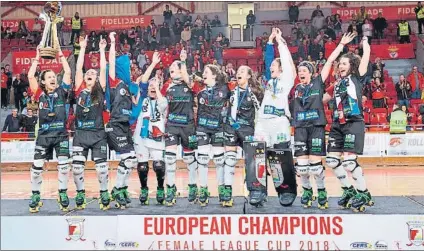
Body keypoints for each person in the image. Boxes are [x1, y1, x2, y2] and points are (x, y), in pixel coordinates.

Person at [295, 33, 356, 210]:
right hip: (299, 128)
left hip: (315, 128)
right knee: (302, 167)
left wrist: (341, 44)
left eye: (304, 71)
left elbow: (329, 61)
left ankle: (321, 191)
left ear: (311, 73)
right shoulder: (296, 88)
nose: (301, 73)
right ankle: (306, 191)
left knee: (314, 167)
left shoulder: (317, 83)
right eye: (299, 71)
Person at [325, 36, 374, 213]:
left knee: (349, 164)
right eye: (340, 64)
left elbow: (366, 57)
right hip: (338, 124)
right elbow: (322, 99)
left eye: (345, 63)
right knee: (331, 161)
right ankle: (349, 190)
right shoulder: (336, 84)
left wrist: (365, 44)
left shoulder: (356, 77)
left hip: (353, 122)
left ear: (351, 66)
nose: (341, 66)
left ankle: (364, 193)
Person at [253, 28, 296, 207]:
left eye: (274, 67)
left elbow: (285, 60)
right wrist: (269, 42)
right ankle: (258, 190)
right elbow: (268, 60)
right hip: (263, 122)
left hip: (279, 122)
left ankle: (286, 191)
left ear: (281, 69)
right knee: (258, 156)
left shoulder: (287, 80)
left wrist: (280, 41)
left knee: (280, 158)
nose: (270, 68)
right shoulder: (270, 81)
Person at [27, 42, 72, 213]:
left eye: (54, 76)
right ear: (44, 82)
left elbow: (67, 72)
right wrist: (37, 57)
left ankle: (62, 193)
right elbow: (31, 76)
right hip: (44, 135)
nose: (53, 78)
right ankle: (35, 195)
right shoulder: (39, 94)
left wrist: (60, 54)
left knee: (63, 166)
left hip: (61, 135)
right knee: (37, 168)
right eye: (49, 77)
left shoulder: (62, 92)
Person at [71, 35, 110, 210]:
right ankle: (80, 193)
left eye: (92, 74)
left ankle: (103, 193)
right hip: (80, 134)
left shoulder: (100, 91)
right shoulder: (79, 88)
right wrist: (82, 48)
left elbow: (103, 69)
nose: (89, 74)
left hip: (98, 134)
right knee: (77, 168)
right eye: (88, 73)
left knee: (101, 169)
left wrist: (102, 50)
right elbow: (79, 67)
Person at [105, 32, 139, 209]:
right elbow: (111, 63)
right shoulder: (114, 82)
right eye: (127, 65)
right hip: (115, 124)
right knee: (127, 158)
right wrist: (112, 42)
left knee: (132, 160)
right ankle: (117, 189)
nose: (130, 68)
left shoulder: (128, 86)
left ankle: (122, 188)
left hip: (125, 125)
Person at [133, 52, 168, 205]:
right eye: (151, 85)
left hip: (156, 137)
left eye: (156, 85)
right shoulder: (142, 98)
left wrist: (157, 87)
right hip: (141, 137)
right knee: (142, 166)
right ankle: (144, 188)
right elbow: (144, 81)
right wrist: (153, 64)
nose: (152, 86)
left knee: (158, 165)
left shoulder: (163, 99)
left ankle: (160, 188)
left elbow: (163, 105)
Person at [162, 50, 196, 206]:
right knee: (169, 158)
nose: (171, 72)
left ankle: (193, 186)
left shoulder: (191, 82)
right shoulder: (166, 87)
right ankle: (170, 187)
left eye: (174, 69)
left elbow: (188, 79)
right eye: (170, 71)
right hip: (172, 125)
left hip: (188, 126)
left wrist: (182, 62)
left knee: (189, 158)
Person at [195, 65, 230, 206]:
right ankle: (203, 190)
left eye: (206, 72)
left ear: (214, 76)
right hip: (202, 127)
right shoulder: (199, 89)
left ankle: (222, 190)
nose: (203, 74)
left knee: (219, 161)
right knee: (202, 159)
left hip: (218, 128)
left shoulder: (225, 89)